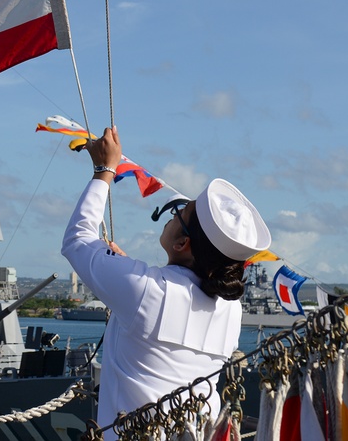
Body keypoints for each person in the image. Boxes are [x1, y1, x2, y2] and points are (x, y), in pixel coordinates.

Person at [62, 126, 271, 437]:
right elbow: (169, 304)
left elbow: (77, 241)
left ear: (181, 244)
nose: (171, 215)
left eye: (179, 213)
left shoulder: (146, 291)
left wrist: (105, 169)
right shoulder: (231, 310)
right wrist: (125, 272)